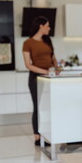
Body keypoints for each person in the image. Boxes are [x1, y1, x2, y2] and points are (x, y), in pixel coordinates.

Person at [22, 16, 59, 146]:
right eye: (48, 26)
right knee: (38, 107)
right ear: (41, 26)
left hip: (49, 77)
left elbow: (53, 58)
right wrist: (45, 71)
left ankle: (48, 133)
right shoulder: (28, 43)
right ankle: (37, 136)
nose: (49, 28)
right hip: (36, 78)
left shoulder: (48, 40)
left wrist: (57, 67)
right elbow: (28, 64)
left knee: (48, 106)